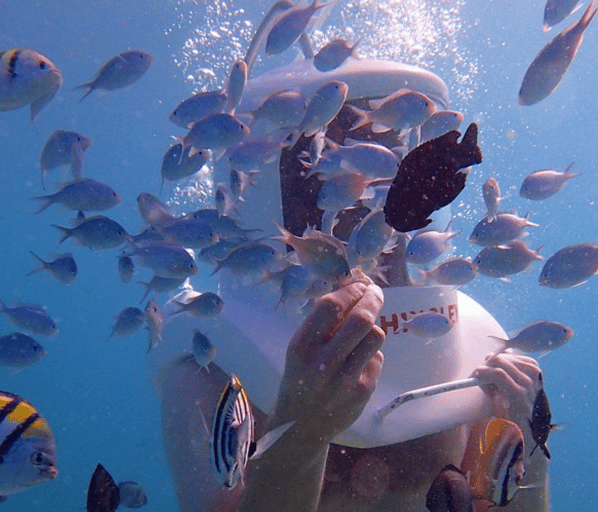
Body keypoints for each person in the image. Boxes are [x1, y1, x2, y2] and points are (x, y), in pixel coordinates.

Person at [150, 53, 550, 512]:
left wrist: (531, 452)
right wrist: (304, 428)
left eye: (383, 176)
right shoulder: (206, 366)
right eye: (322, 178)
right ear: (264, 196)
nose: (356, 199)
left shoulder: (464, 352)